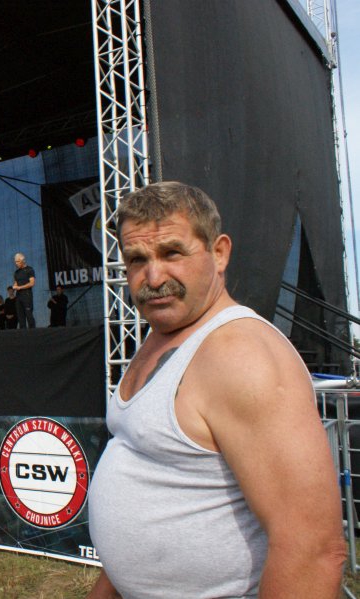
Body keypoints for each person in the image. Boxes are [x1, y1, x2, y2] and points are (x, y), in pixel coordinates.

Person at [87, 182, 344, 598]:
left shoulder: (240, 354)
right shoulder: (165, 333)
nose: (154, 277)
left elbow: (312, 550)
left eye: (172, 253)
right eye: (137, 259)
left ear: (219, 252)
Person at [12, 253, 36, 328]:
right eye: (15, 262)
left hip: (27, 295)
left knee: (29, 315)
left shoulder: (29, 269)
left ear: (23, 261)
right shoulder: (16, 272)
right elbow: (16, 283)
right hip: (18, 296)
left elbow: (32, 283)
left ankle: (33, 332)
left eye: (18, 261)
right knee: (20, 317)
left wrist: (20, 287)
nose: (16, 263)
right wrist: (14, 287)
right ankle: (23, 333)